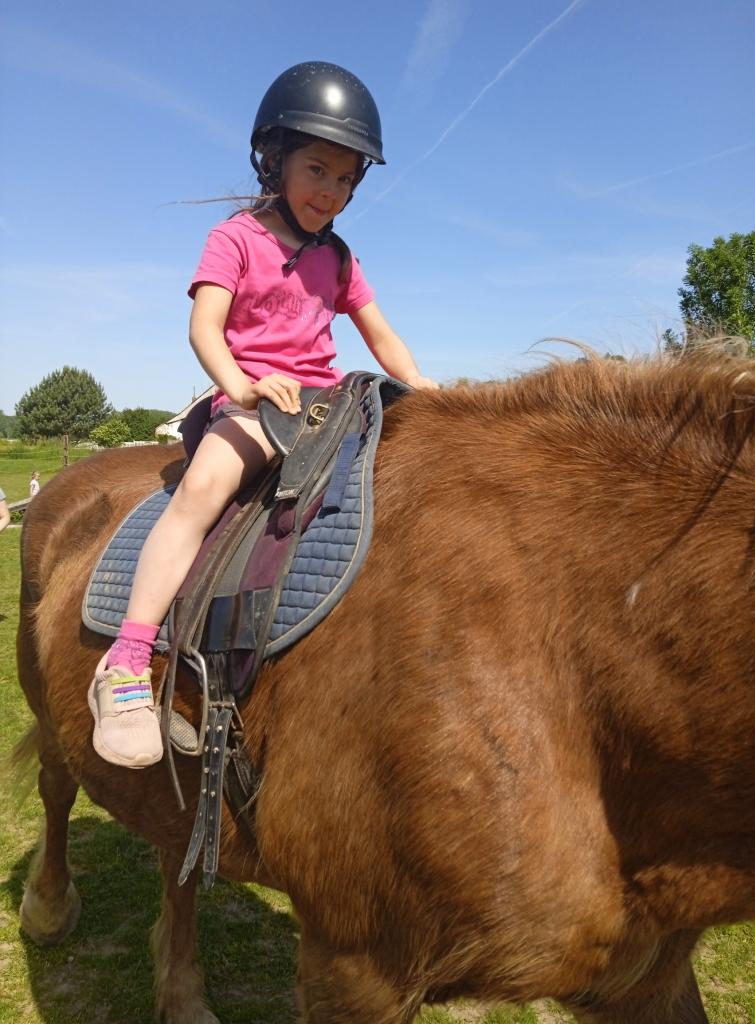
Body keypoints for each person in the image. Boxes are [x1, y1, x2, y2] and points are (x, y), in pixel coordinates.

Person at [89, 61, 438, 769]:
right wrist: (241, 388)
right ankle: (126, 660)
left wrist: (421, 385)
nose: (330, 191)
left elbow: (381, 335)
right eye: (317, 170)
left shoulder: (339, 258)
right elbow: (205, 328)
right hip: (257, 403)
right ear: (275, 160)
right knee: (200, 492)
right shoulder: (236, 239)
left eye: (345, 179)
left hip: (326, 407)